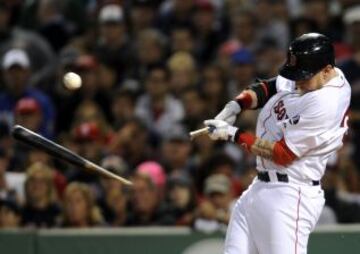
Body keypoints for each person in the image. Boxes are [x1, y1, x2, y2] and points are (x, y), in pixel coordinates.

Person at [202, 33, 351, 254]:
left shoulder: (326, 102)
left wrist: (232, 134)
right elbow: (270, 87)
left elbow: (283, 153)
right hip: (259, 187)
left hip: (291, 194)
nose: (298, 81)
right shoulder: (312, 75)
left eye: (304, 76)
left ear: (327, 70)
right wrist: (237, 105)